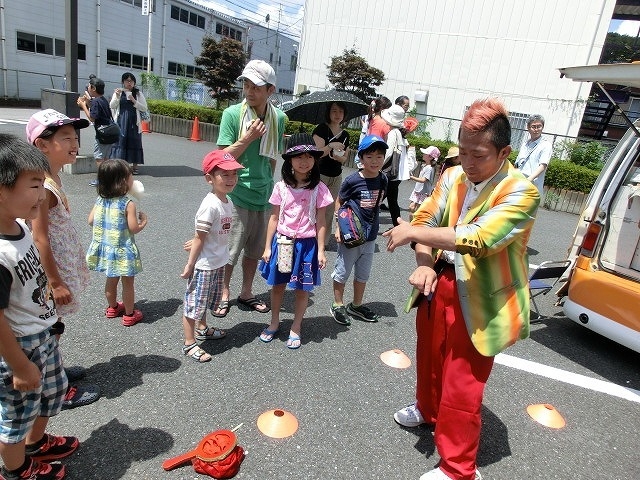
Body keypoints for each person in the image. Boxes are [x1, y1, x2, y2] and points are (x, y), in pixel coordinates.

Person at [383, 98, 540, 480]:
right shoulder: (453, 176)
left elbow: (478, 238)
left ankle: (458, 468)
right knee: (429, 356)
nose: (467, 162)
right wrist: (423, 264)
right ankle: (427, 409)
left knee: (463, 382)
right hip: (440, 280)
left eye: (479, 155)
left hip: (484, 296)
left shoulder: (521, 191)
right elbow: (425, 216)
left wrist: (412, 233)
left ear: (504, 152)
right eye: (463, 151)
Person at [0, 134, 79, 480]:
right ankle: (15, 470)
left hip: (43, 333)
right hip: (19, 348)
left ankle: (36, 444)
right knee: (16, 416)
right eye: (34, 185)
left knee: (53, 392)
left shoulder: (19, 226)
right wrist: (18, 366)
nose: (42, 192)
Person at [26, 109, 100, 411]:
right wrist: (54, 282)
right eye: (66, 138)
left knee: (55, 325)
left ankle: (56, 370)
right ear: (42, 145)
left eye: (75, 137)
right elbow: (39, 237)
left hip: (58, 264)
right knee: (49, 328)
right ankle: (55, 387)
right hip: (49, 273)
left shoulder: (51, 176)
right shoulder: (42, 186)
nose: (75, 143)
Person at [216, 60, 286, 317]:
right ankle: (223, 292)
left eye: (256, 86)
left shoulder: (279, 118)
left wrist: (270, 182)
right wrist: (247, 138)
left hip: (264, 194)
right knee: (230, 250)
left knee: (255, 251)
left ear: (270, 90)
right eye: (246, 84)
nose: (249, 90)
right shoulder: (232, 115)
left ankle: (246, 292)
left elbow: (272, 158)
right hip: (236, 192)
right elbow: (221, 157)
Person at [259, 133, 334, 349]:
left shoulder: (319, 188)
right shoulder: (281, 187)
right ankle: (274, 322)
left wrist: (321, 250)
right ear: (289, 160)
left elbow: (321, 222)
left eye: (309, 156)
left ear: (315, 160)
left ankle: (296, 326)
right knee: (277, 286)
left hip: (307, 245)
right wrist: (266, 247)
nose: (304, 161)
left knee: (303, 288)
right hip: (282, 242)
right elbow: (273, 218)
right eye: (298, 156)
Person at [180, 151, 244, 363]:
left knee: (206, 301)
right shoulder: (210, 204)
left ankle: (202, 328)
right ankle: (189, 344)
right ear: (209, 178)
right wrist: (190, 265)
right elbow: (200, 236)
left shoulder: (227, 201)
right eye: (224, 174)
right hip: (204, 265)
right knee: (193, 304)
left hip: (218, 261)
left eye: (234, 174)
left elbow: (207, 234)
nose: (231, 179)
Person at [330, 134, 388, 326]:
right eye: (370, 156)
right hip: (351, 234)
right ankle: (337, 304)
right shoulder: (352, 180)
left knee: (363, 274)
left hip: (370, 236)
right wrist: (339, 227)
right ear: (361, 158)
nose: (375, 161)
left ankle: (356, 304)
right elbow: (340, 201)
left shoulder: (384, 180)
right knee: (342, 271)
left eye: (379, 156)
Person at [86, 159, 148, 327]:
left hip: (107, 249)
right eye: (130, 177)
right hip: (123, 249)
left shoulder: (100, 199)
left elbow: (90, 220)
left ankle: (112, 308)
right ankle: (129, 314)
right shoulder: (127, 203)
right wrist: (143, 221)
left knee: (111, 279)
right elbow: (133, 228)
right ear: (123, 181)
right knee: (128, 283)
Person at [312, 102, 350, 240]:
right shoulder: (321, 129)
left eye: (341, 111)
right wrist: (330, 145)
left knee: (329, 209)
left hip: (336, 175)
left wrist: (338, 156)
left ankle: (323, 239)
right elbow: (316, 152)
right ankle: (309, 235)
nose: (337, 114)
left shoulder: (345, 134)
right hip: (320, 173)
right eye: (334, 111)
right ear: (328, 112)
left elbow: (345, 158)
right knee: (315, 207)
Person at [77, 75, 117, 186]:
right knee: (107, 158)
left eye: (89, 86)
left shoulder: (95, 102)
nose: (87, 88)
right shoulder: (102, 100)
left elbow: (92, 118)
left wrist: (83, 105)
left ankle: (101, 180)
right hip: (109, 132)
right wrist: (89, 102)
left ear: (93, 88)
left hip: (102, 133)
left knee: (99, 158)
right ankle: (108, 178)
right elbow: (98, 111)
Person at [110, 72, 148, 175]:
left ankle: (135, 167)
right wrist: (117, 96)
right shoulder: (118, 92)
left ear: (134, 82)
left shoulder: (138, 93)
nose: (129, 83)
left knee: (135, 142)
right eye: (127, 80)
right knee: (120, 142)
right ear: (123, 82)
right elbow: (112, 106)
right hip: (121, 121)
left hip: (134, 123)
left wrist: (134, 101)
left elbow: (144, 108)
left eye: (131, 81)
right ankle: (121, 167)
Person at [514, 114, 552, 195]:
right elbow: (518, 163)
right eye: (533, 126)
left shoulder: (546, 145)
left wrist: (529, 180)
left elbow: (543, 166)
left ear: (543, 127)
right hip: (518, 183)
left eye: (539, 126)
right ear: (528, 128)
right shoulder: (525, 144)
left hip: (532, 186)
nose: (536, 129)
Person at [409, 146, 440, 214]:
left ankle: (414, 224)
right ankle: (412, 224)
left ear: (430, 157)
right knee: (412, 208)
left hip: (423, 192)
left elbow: (423, 180)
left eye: (425, 153)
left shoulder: (429, 168)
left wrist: (411, 177)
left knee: (417, 210)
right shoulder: (425, 166)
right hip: (418, 190)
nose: (423, 154)